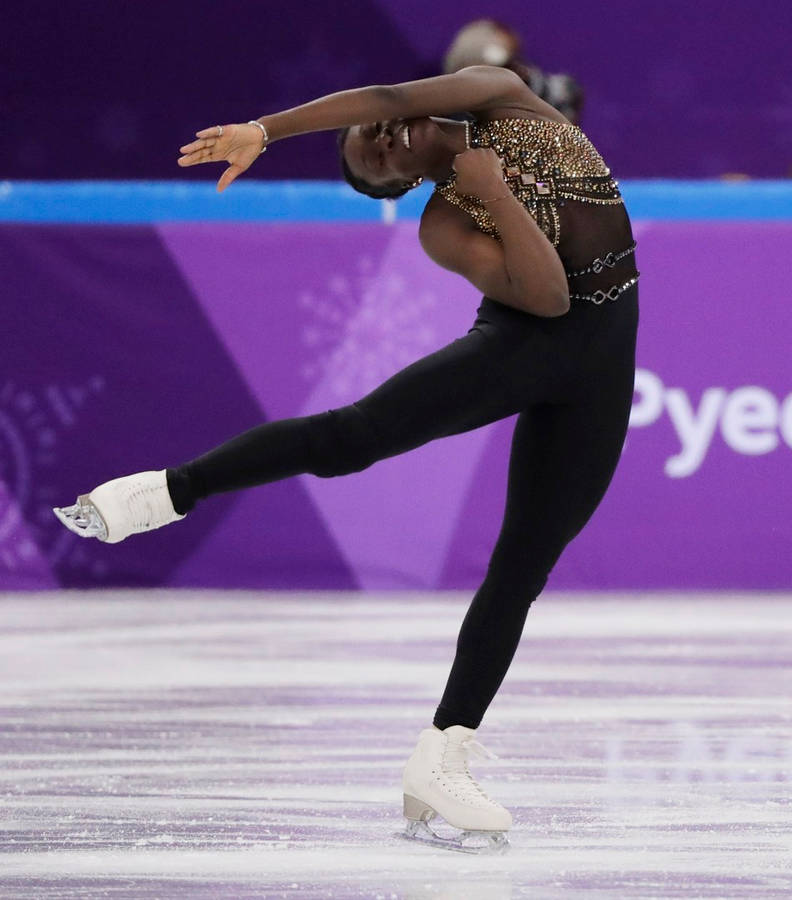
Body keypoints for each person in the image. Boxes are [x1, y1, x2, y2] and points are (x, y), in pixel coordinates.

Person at [53, 65, 639, 852]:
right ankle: (163, 492)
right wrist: (492, 193)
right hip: (522, 345)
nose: (382, 140)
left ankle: (442, 756)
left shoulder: (497, 93)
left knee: (522, 567)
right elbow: (549, 301)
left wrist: (265, 129)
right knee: (349, 439)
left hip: (602, 368)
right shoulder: (442, 225)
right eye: (379, 162)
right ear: (405, 180)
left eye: (369, 136)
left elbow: (389, 98)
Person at [443, 19, 584, 125]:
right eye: (504, 66)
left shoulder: (551, 92)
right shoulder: (454, 117)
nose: (517, 72)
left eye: (512, 63)